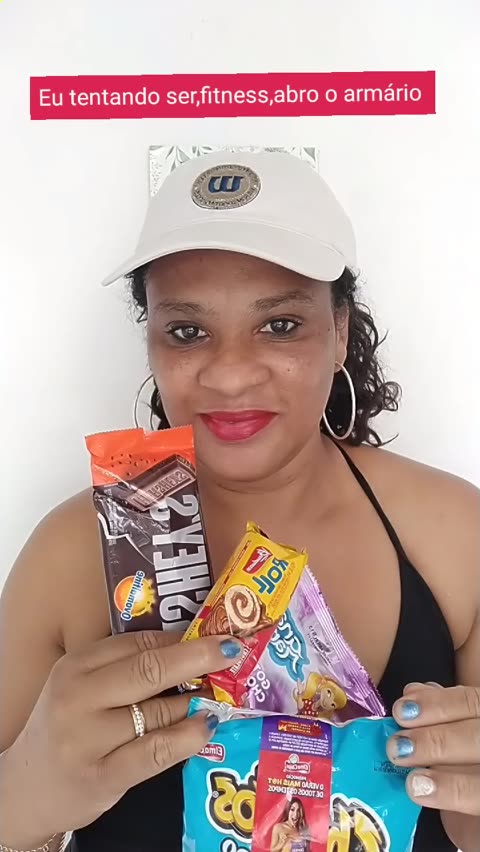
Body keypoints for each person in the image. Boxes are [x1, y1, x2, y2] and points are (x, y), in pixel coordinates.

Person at [0, 150, 478, 852]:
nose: (229, 375)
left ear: (340, 332)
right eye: (187, 332)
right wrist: (21, 798)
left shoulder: (455, 534)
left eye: (279, 325)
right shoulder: (69, 554)